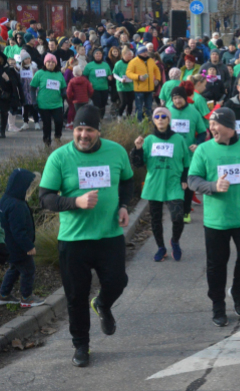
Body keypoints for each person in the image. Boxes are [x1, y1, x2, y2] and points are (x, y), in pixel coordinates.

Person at [39, 106, 133, 367]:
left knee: (118, 281)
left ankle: (102, 303)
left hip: (109, 235)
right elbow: (45, 198)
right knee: (76, 297)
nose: (83, 135)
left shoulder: (115, 152)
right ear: (73, 129)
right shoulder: (59, 158)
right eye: (78, 129)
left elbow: (127, 181)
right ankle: (81, 346)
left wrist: (124, 205)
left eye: (89, 129)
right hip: (74, 240)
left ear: (97, 130)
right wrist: (75, 202)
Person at [188, 108, 240, 327]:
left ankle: (237, 291)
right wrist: (212, 186)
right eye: (211, 125)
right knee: (216, 266)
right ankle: (217, 305)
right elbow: (193, 180)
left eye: (216, 124)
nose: (212, 128)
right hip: (216, 221)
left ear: (230, 126)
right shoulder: (204, 150)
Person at [131, 107, 191, 262]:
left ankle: (175, 241)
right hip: (155, 184)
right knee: (155, 219)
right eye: (157, 116)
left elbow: (187, 162)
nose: (161, 119)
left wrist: (185, 179)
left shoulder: (179, 139)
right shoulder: (149, 140)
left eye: (164, 116)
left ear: (169, 119)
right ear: (154, 120)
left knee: (178, 217)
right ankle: (161, 248)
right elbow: (138, 164)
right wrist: (137, 149)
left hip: (173, 183)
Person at [0, 169, 45, 307]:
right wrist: (29, 246)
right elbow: (18, 231)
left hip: (9, 246)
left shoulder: (6, 199)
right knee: (28, 269)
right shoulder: (17, 205)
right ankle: (27, 298)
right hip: (18, 247)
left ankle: (4, 294)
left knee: (14, 269)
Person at [168, 86, 207, 223]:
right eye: (174, 98)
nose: (177, 101)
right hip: (171, 154)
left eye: (179, 98)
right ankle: (176, 209)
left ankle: (186, 211)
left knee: (188, 183)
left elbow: (203, 132)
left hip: (189, 154)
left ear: (185, 98)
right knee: (174, 182)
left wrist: (197, 144)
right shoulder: (168, 112)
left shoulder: (193, 112)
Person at [30, 54, 66, 146]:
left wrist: (64, 93)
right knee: (47, 124)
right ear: (45, 63)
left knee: (59, 122)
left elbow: (63, 87)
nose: (50, 63)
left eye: (53, 62)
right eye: (48, 62)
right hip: (43, 104)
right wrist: (34, 101)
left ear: (56, 64)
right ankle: (47, 142)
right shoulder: (40, 73)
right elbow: (32, 87)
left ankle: (57, 137)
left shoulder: (59, 74)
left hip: (57, 103)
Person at [83, 48, 112, 120]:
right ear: (93, 55)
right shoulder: (89, 65)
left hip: (104, 88)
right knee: (97, 104)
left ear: (102, 55)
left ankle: (101, 119)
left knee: (103, 104)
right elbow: (84, 76)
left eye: (100, 54)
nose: (98, 55)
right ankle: (96, 119)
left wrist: (110, 78)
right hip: (94, 88)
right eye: (96, 54)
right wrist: (88, 84)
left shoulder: (106, 65)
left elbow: (110, 75)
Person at [113, 48, 135, 118]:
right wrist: (120, 79)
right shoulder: (118, 63)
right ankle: (119, 116)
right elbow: (114, 74)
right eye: (129, 55)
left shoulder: (133, 63)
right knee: (123, 102)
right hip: (121, 86)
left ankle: (128, 117)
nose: (131, 56)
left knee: (130, 103)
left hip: (131, 86)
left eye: (131, 55)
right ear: (124, 55)